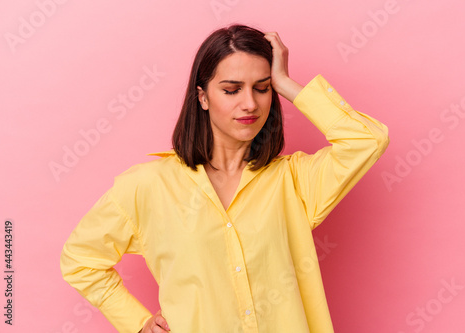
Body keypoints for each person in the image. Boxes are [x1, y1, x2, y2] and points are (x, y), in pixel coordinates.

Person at [60, 23, 390, 333]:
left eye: (262, 88)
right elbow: (80, 261)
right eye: (231, 90)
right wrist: (137, 322)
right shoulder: (146, 187)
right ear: (202, 97)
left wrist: (287, 84)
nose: (250, 104)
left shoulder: (295, 181)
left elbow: (368, 140)